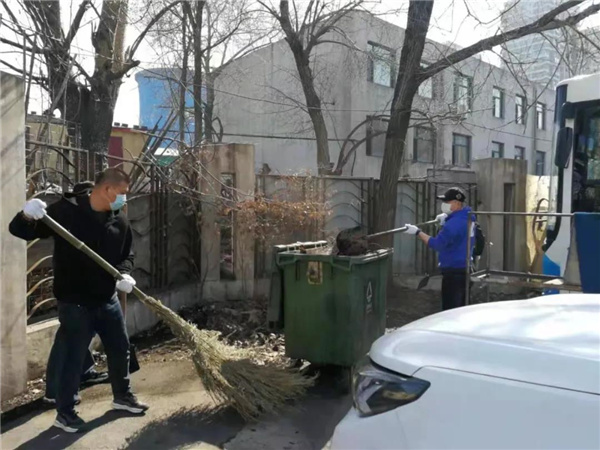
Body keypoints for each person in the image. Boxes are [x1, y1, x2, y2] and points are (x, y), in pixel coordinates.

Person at [9, 168, 148, 433]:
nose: (124, 199)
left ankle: (122, 396)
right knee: (73, 358)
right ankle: (66, 413)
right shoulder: (65, 212)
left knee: (119, 348)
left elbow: (127, 254)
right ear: (106, 189)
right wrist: (26, 214)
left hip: (107, 299)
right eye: (122, 193)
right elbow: (20, 230)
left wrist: (125, 274)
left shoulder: (119, 220)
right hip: (75, 302)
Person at [42, 182, 109, 407]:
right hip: (72, 291)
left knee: (83, 333)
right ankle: (54, 391)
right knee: (68, 337)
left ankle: (84, 371)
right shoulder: (65, 215)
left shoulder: (89, 216)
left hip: (91, 290)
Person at [403, 187, 476, 311]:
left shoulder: (454, 224)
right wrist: (446, 219)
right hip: (465, 268)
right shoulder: (467, 217)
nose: (444, 204)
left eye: (447, 202)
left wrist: (417, 232)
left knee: (451, 311)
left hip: (454, 272)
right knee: (462, 309)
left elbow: (437, 244)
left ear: (457, 203)